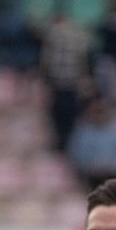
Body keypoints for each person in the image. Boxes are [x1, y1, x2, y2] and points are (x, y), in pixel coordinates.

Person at [38, 12, 92, 152]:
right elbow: (83, 61)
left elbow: (46, 62)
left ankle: (61, 146)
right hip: (72, 87)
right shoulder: (79, 35)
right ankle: (68, 146)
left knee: (58, 121)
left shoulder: (51, 34)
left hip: (57, 86)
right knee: (71, 121)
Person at [67, 97, 116, 188]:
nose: (98, 114)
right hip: (89, 179)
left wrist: (115, 165)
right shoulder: (81, 134)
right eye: (94, 111)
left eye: (101, 110)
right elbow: (76, 158)